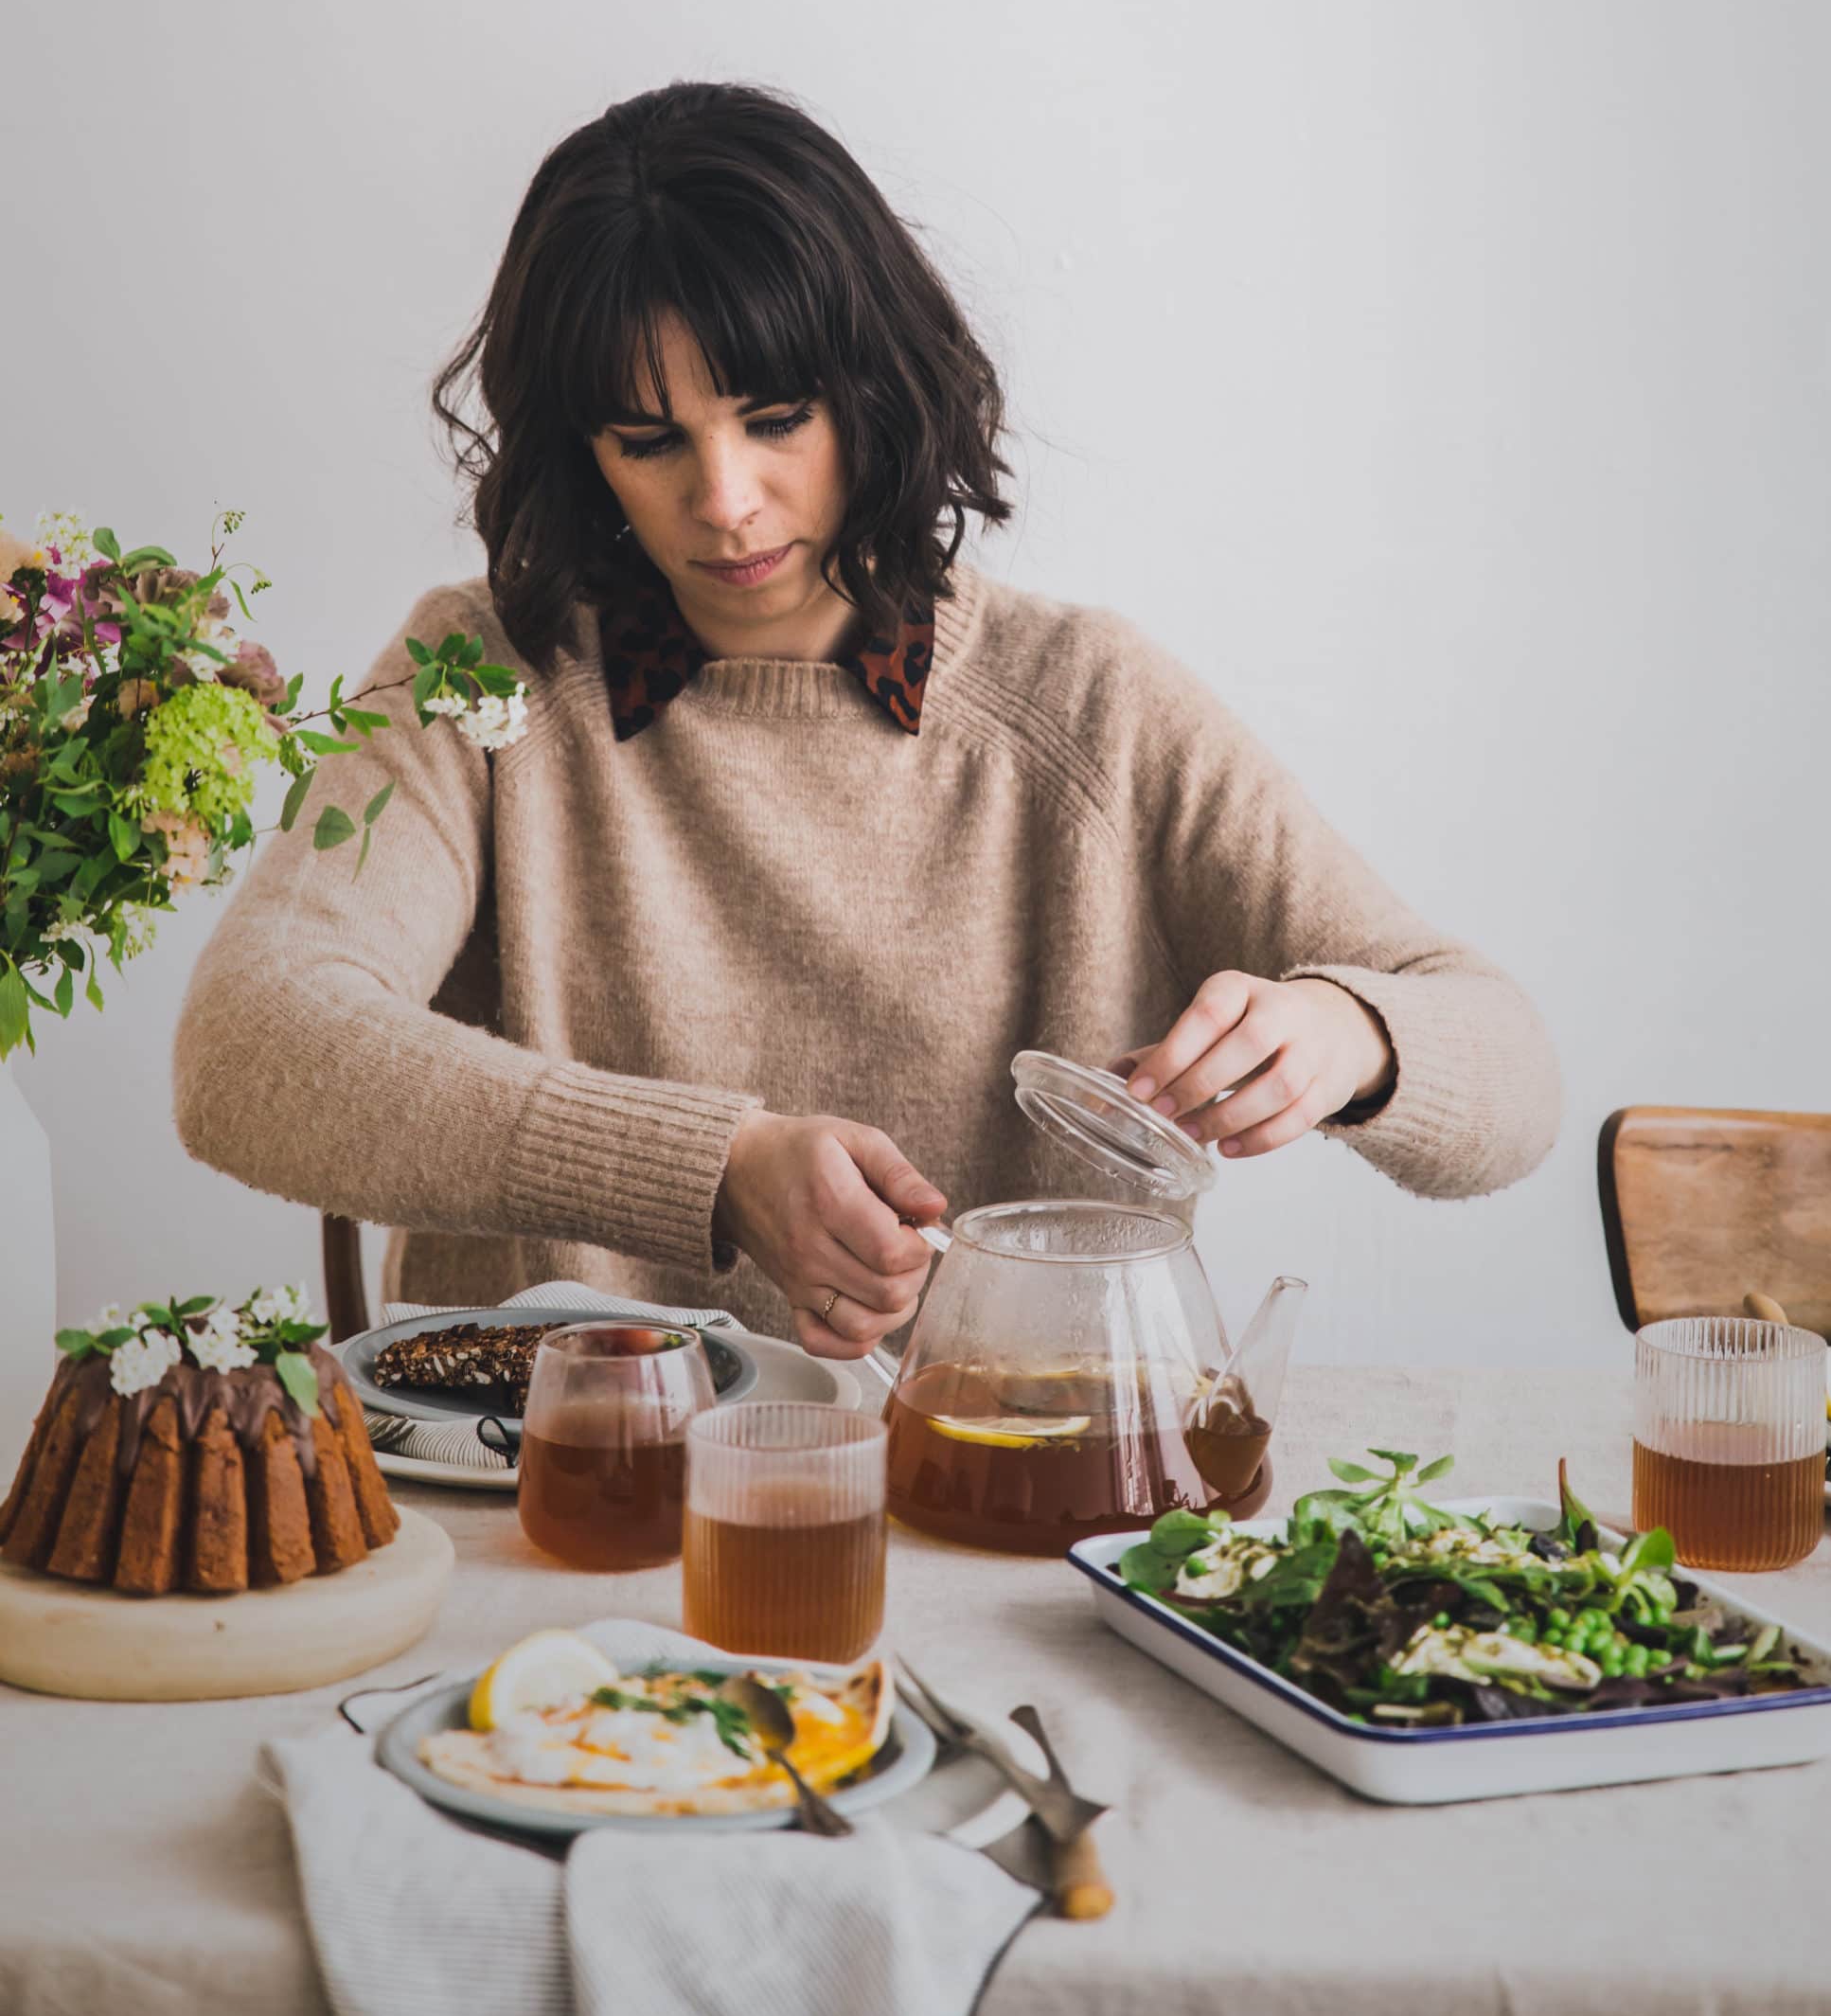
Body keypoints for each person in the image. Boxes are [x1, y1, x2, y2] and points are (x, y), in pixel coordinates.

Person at [174, 82, 1559, 1361]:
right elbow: (248, 1046)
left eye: (777, 417)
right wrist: (712, 1167)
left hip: (997, 1516)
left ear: (880, 390)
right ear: (577, 452)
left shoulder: (1088, 706)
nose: (724, 500)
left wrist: (1352, 1036)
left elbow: (1509, 1083)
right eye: (648, 442)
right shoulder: (480, 677)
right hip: (561, 1519)